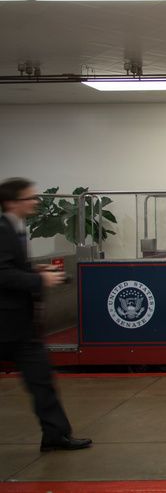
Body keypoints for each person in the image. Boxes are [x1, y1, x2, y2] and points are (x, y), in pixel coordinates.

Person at [0, 177, 92, 452]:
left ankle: (55, 434)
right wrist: (38, 282)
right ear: (11, 202)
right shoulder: (3, 230)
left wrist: (35, 272)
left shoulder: (15, 228)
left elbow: (11, 267)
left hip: (21, 324)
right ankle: (56, 433)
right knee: (40, 379)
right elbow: (2, 274)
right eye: (30, 198)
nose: (36, 202)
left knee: (41, 379)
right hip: (7, 324)